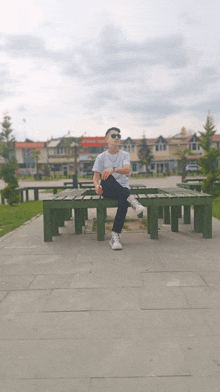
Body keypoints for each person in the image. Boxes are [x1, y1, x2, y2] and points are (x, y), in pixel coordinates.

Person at [92, 127, 145, 250]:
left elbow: (127, 170)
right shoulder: (101, 157)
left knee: (123, 200)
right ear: (107, 139)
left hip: (122, 190)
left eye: (119, 136)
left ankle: (114, 235)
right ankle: (132, 200)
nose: (117, 138)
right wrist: (97, 186)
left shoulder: (125, 154)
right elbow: (95, 177)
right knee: (107, 177)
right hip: (108, 190)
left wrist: (114, 169)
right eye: (113, 135)